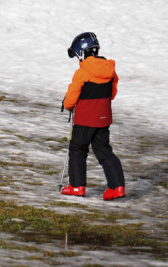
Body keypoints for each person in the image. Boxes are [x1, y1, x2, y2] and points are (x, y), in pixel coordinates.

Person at [61, 32, 125, 201]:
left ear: (82, 53)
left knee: (78, 149)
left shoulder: (82, 73)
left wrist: (67, 105)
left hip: (84, 120)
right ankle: (117, 187)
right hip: (103, 119)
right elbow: (112, 93)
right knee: (104, 151)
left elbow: (72, 97)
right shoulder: (110, 70)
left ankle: (76, 186)